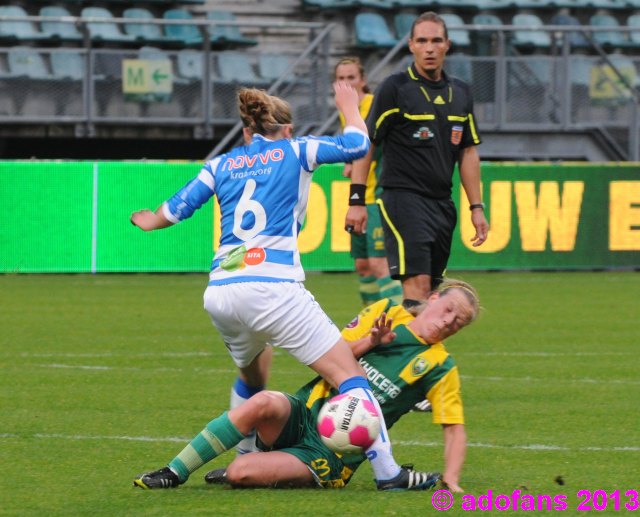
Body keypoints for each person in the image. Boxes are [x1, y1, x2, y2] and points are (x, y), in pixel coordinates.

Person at [130, 83, 428, 489]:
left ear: (247, 131)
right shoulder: (296, 150)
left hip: (221, 291)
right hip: (272, 286)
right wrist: (349, 107)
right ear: (286, 129)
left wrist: (149, 220)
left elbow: (174, 209)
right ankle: (389, 473)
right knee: (351, 378)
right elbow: (357, 145)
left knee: (254, 375)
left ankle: (242, 456)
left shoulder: (221, 164)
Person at [133, 278, 479, 492]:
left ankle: (261, 466)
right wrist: (373, 342)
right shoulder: (387, 310)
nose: (448, 322)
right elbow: (333, 353)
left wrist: (452, 477)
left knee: (239, 474)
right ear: (433, 299)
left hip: (331, 452)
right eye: (447, 309)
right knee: (264, 401)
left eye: (458, 322)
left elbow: (454, 429)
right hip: (304, 411)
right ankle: (173, 472)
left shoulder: (441, 366)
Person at [345, 11, 490, 308]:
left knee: (432, 291)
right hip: (402, 198)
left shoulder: (461, 92)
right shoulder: (395, 88)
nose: (429, 48)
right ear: (411, 45)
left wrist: (477, 208)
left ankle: (394, 346)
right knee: (418, 286)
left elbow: (468, 152)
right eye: (422, 40)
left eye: (436, 40)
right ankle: (412, 355)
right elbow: (368, 144)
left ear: (447, 45)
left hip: (442, 203)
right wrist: (357, 201)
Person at [334, 57, 402, 306]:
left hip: (378, 196)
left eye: (351, 77)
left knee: (379, 263)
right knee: (363, 265)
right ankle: (371, 323)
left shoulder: (373, 105)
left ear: (362, 80)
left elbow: (378, 146)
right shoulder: (347, 111)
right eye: (341, 78)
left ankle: (400, 324)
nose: (346, 83)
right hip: (361, 197)